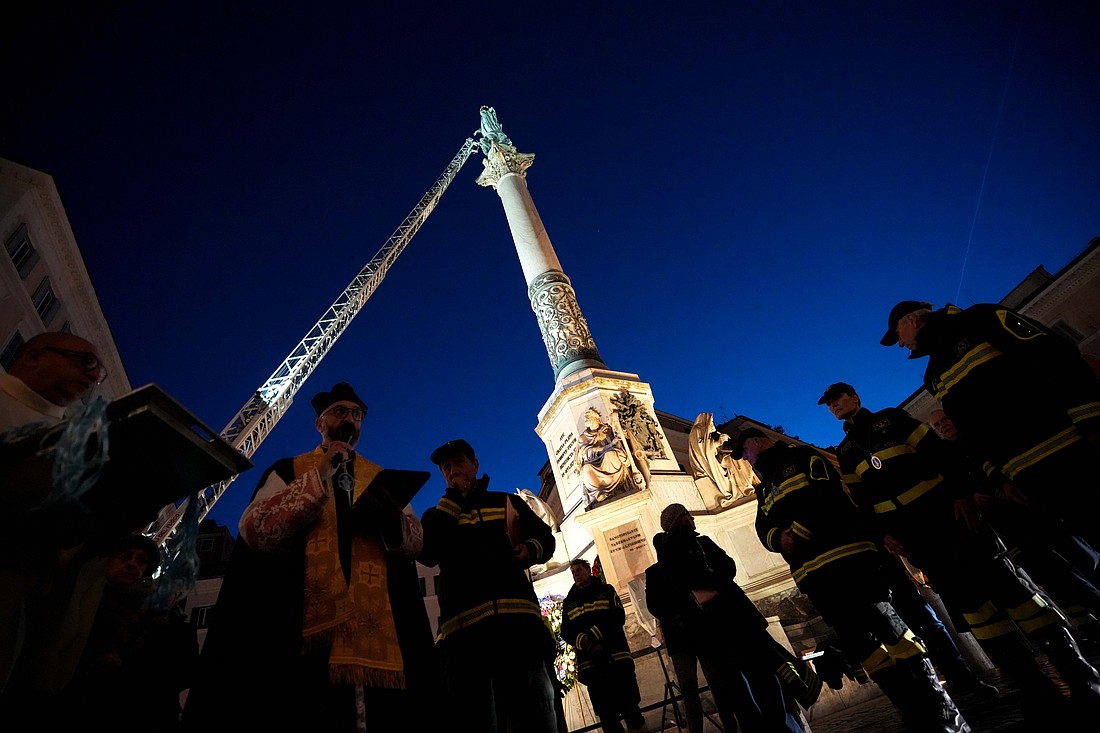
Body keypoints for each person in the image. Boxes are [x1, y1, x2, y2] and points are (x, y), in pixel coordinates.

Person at [819, 380, 1100, 717]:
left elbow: (940, 454)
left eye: (838, 398)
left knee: (1010, 590)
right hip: (918, 539)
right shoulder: (846, 452)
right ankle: (1035, 689)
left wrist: (962, 495)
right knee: (973, 610)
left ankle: (1081, 676)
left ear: (855, 397)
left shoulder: (892, 419)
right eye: (829, 403)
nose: (834, 405)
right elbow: (862, 501)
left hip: (950, 518)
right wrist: (883, 534)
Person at [181, 382, 440, 732]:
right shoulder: (286, 471)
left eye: (356, 413)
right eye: (340, 411)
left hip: (377, 631)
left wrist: (391, 521)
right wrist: (320, 476)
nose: (349, 417)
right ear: (320, 423)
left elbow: (416, 543)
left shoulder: (381, 478)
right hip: (300, 628)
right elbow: (254, 530)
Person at [728, 427, 970, 732]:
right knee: (865, 650)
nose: (745, 460)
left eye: (745, 452)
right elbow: (762, 527)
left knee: (893, 632)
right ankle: (912, 709)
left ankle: (942, 711)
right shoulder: (764, 488)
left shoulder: (803, 457)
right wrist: (778, 539)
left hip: (850, 561)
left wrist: (797, 536)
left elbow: (824, 496)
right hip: (816, 577)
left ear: (757, 443)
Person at [880, 300, 1100, 550]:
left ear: (911, 320)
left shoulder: (980, 318)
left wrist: (1091, 421)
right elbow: (971, 432)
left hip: (1075, 451)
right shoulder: (934, 374)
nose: (899, 343)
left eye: (897, 334)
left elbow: (1054, 355)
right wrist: (999, 479)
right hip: (1027, 479)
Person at [420, 438, 559, 733]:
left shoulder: (507, 502)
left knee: (535, 720)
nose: (453, 470)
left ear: (475, 465)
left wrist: (529, 550)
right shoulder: (436, 515)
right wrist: (452, 499)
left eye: (458, 462)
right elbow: (429, 550)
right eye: (446, 467)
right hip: (465, 643)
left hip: (519, 632)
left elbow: (546, 539)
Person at [928, 407, 1100, 643]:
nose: (943, 426)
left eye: (944, 419)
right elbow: (959, 487)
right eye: (937, 426)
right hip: (1007, 525)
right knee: (1053, 574)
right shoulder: (947, 458)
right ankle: (1089, 623)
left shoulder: (979, 438)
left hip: (1030, 507)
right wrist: (973, 497)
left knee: (1081, 555)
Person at [0, 332, 110, 699]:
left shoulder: (80, 442)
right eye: (85, 362)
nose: (94, 376)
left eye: (99, 371)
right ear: (34, 357)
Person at [646, 503, 814, 733]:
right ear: (678, 521)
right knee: (738, 687)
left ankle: (782, 724)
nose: (691, 517)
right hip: (715, 630)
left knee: (763, 676)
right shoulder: (670, 558)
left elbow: (728, 566)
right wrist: (714, 582)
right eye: (686, 514)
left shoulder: (703, 542)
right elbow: (685, 583)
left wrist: (711, 586)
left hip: (740, 622)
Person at [56, 532, 198, 732]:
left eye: (141, 560)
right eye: (125, 556)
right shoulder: (79, 602)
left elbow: (184, 672)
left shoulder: (161, 616)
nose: (133, 564)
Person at [561, 558, 649, 733]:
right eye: (573, 572)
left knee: (631, 710)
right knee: (607, 719)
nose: (576, 574)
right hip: (592, 668)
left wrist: (592, 636)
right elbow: (566, 631)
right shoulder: (569, 602)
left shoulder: (606, 590)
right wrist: (586, 643)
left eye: (579, 570)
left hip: (616, 661)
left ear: (588, 570)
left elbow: (616, 617)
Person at [576, 407, 638, 508]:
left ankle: (616, 485)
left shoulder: (607, 429)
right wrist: (607, 446)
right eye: (587, 419)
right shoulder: (583, 437)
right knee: (586, 468)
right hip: (594, 461)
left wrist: (619, 431)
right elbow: (585, 452)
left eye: (590, 418)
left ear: (597, 419)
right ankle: (598, 493)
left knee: (610, 454)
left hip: (610, 455)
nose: (588, 420)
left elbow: (620, 437)